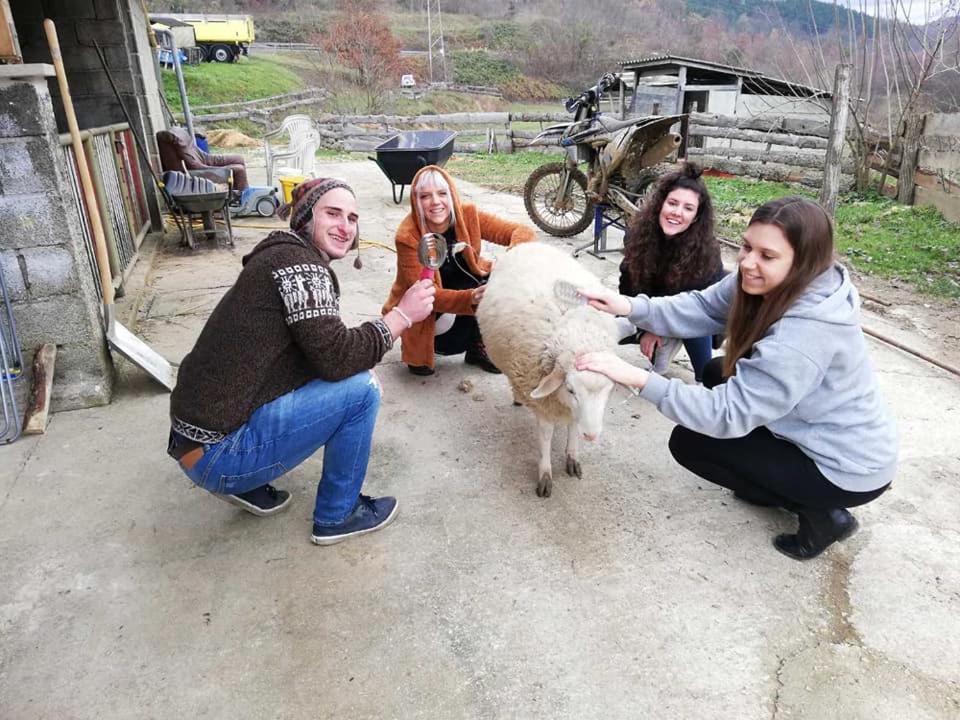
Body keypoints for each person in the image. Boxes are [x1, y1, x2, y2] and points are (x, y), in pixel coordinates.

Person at [576, 196, 897, 560]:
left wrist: (636, 377)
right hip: (816, 424)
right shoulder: (775, 282)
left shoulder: (806, 334)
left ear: (804, 262)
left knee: (691, 443)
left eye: (767, 255)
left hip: (846, 465)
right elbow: (702, 307)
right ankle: (773, 478)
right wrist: (630, 307)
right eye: (746, 247)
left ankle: (824, 516)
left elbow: (725, 414)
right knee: (715, 371)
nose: (748, 263)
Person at [167, 178, 436, 545]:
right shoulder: (302, 269)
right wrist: (401, 318)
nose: (345, 226)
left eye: (353, 218)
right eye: (333, 213)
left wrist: (362, 355)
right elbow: (338, 356)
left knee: (353, 371)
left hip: (190, 441)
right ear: (306, 217)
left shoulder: (279, 255)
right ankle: (337, 515)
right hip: (217, 455)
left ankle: (246, 480)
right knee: (362, 391)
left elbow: (322, 353)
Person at [382, 165, 536, 376]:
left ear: (451, 194)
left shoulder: (468, 215)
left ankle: (477, 347)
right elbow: (427, 297)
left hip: (463, 302)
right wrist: (471, 298)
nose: (436, 202)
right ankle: (421, 346)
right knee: (421, 366)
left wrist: (510, 258)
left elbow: (522, 231)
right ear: (416, 201)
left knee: (497, 279)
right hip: (432, 316)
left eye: (442, 193)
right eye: (426, 196)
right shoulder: (408, 236)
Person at [617, 162, 725, 382]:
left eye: (688, 208)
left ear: (696, 217)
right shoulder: (637, 236)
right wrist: (646, 328)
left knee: (698, 327)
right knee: (609, 325)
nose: (677, 212)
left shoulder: (707, 252)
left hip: (692, 319)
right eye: (673, 203)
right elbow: (627, 287)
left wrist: (657, 327)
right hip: (652, 310)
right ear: (660, 205)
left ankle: (699, 376)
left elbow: (698, 309)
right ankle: (664, 343)